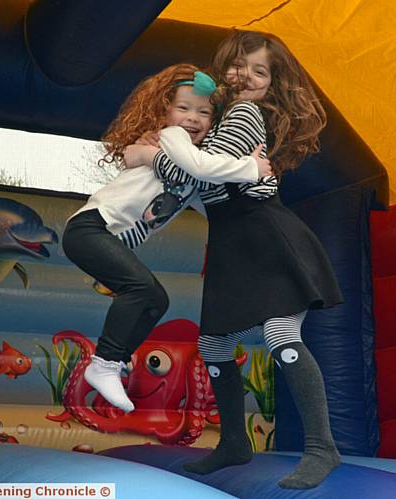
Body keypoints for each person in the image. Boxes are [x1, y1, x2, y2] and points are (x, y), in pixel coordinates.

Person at [125, 31, 344, 490]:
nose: (245, 77)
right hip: (233, 240)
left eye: (259, 71)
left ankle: (323, 447)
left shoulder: (246, 114)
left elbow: (199, 171)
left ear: (271, 85)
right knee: (214, 344)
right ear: (223, 70)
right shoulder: (218, 120)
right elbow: (193, 183)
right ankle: (233, 443)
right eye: (238, 66)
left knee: (281, 336)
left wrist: (148, 154)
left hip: (266, 236)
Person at [62, 63, 271, 414]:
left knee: (157, 299)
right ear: (166, 111)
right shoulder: (172, 139)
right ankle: (105, 363)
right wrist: (250, 168)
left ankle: (115, 360)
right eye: (183, 108)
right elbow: (203, 167)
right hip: (89, 228)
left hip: (106, 237)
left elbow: (208, 196)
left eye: (204, 113)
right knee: (141, 288)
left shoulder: (186, 171)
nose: (192, 118)